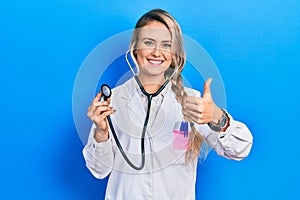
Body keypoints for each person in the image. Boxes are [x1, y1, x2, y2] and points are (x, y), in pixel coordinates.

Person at [83, 8, 253, 200]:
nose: (157, 52)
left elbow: (241, 150)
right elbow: (99, 170)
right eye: (149, 42)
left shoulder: (192, 102)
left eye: (166, 45)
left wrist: (217, 117)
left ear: (174, 54)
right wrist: (101, 132)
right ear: (135, 49)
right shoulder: (113, 100)